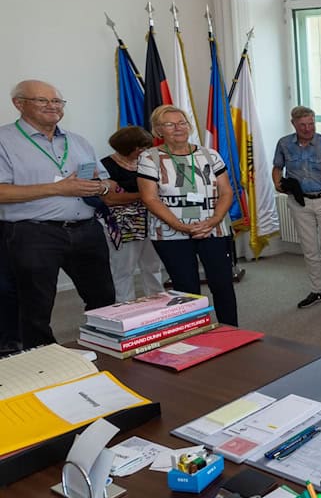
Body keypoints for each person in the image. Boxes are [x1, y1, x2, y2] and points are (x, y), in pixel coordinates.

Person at [0, 79, 116, 348]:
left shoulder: (78, 141)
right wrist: (58, 188)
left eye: (57, 101)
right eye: (42, 100)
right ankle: (42, 361)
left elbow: (109, 183)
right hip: (33, 233)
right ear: (19, 104)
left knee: (104, 298)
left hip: (86, 230)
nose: (52, 106)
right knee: (35, 305)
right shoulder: (4, 141)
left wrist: (101, 186)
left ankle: (106, 348)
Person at [136, 105, 238, 326]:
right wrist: (181, 226)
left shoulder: (210, 155)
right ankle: (195, 333)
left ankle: (231, 332)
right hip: (171, 235)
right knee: (186, 288)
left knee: (222, 284)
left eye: (182, 123)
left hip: (214, 229)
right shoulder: (149, 158)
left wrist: (214, 220)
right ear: (158, 130)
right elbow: (150, 198)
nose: (178, 128)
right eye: (170, 124)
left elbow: (226, 191)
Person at [272, 106, 321, 312]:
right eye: (303, 125)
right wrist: (277, 184)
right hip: (299, 202)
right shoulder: (284, 144)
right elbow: (277, 167)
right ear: (294, 124)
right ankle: (317, 290)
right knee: (309, 249)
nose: (308, 129)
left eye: (311, 124)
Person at [100, 126, 164, 302]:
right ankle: (125, 306)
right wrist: (146, 195)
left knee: (153, 265)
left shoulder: (148, 162)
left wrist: (141, 197)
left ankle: (158, 302)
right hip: (123, 225)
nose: (143, 151)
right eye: (139, 147)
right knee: (123, 269)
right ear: (125, 146)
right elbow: (110, 199)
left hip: (152, 220)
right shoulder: (106, 166)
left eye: (145, 147)